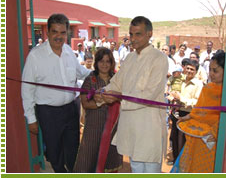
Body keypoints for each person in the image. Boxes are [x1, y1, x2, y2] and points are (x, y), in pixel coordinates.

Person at [95, 16, 169, 173]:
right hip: (131, 127)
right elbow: (116, 83)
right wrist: (103, 94)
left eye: (138, 34)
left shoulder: (159, 59)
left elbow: (149, 95)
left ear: (149, 34)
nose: (133, 39)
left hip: (149, 127)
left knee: (150, 170)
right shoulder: (129, 58)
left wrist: (117, 97)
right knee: (135, 168)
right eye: (131, 34)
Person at [21, 13, 90, 173]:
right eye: (55, 32)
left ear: (67, 33)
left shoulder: (68, 51)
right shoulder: (36, 56)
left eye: (63, 32)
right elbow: (27, 89)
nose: (59, 37)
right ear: (48, 33)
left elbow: (81, 73)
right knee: (54, 153)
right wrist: (31, 118)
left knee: (73, 149)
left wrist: (101, 73)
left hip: (71, 109)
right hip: (48, 113)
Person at [73, 47, 123, 173]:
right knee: (88, 157)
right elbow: (85, 103)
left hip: (113, 128)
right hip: (94, 126)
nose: (105, 64)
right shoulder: (90, 79)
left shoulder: (116, 80)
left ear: (112, 63)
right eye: (101, 61)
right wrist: (103, 102)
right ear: (97, 63)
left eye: (108, 61)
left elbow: (123, 99)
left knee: (111, 157)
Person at [177, 51, 226, 173]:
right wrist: (186, 118)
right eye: (210, 70)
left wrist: (213, 133)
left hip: (212, 140)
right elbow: (198, 111)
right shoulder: (207, 88)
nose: (211, 74)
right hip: (198, 136)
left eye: (215, 70)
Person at [169, 59, 203, 163]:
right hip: (177, 112)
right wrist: (174, 97)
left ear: (196, 71)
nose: (189, 71)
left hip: (189, 115)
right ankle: (175, 161)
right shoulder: (181, 81)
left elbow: (197, 102)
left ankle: (182, 164)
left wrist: (182, 99)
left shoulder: (198, 84)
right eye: (187, 68)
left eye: (192, 69)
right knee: (174, 137)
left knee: (183, 140)